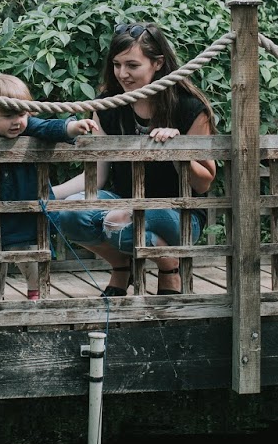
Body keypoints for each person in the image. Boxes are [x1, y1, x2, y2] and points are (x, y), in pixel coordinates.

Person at [51, 22, 217, 296]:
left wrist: (178, 153)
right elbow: (97, 176)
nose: (122, 74)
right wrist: (49, 195)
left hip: (176, 213)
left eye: (132, 65)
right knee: (68, 213)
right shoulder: (107, 105)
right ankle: (121, 265)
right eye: (117, 65)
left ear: (158, 63)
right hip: (122, 206)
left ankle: (169, 266)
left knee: (129, 218)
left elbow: (203, 185)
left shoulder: (189, 107)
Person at [0, 74, 96, 301]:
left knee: (30, 251)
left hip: (26, 207)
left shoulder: (30, 127)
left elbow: (52, 128)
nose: (16, 122)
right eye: (7, 115)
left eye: (21, 114)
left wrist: (72, 127)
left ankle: (35, 288)